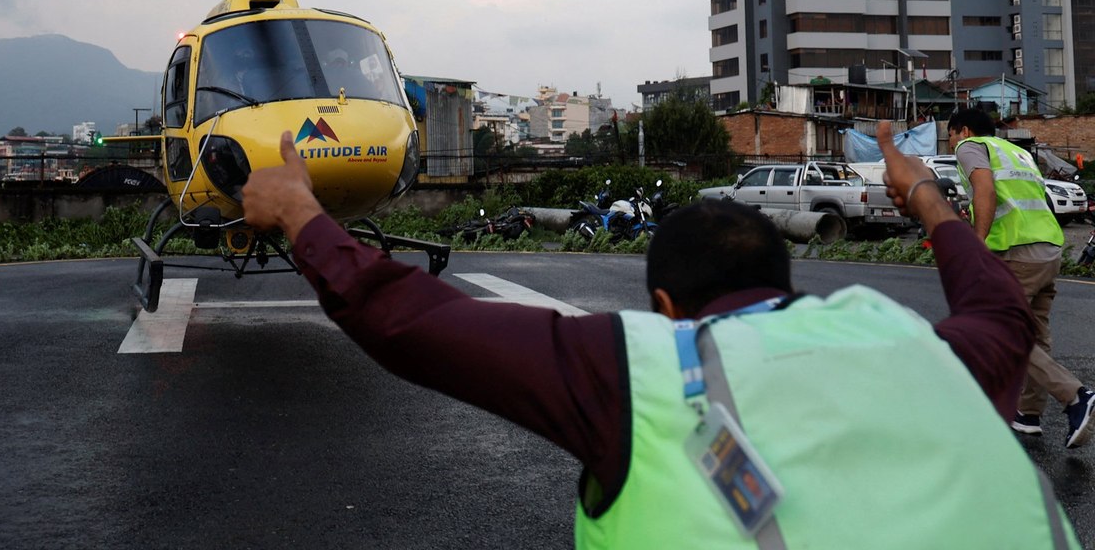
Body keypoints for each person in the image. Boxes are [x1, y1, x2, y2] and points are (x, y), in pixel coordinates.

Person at [241, 122, 1079, 547]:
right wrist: (926, 198)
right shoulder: (915, 346)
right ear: (782, 282)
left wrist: (299, 213)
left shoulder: (642, 368)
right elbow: (996, 307)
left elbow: (410, 321)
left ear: (668, 306)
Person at [948, 107, 1095, 447]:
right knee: (1035, 333)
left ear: (963, 130)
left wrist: (977, 244)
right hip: (1049, 249)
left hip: (1016, 252)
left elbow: (984, 191)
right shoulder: (1017, 152)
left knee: (999, 329)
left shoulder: (970, 147)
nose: (950, 143)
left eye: (951, 135)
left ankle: (1075, 395)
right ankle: (1028, 415)